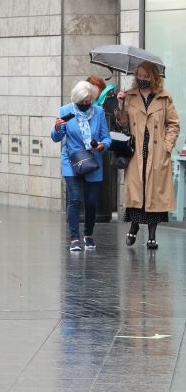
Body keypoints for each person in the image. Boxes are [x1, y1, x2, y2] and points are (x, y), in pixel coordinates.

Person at [115, 61, 180, 249]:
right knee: (137, 193)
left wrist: (167, 147)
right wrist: (121, 105)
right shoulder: (131, 96)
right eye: (139, 76)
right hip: (136, 153)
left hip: (157, 152)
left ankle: (152, 234)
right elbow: (123, 124)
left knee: (154, 195)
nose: (142, 79)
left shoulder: (164, 98)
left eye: (146, 76)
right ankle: (134, 225)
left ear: (153, 77)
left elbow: (173, 124)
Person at [51, 81, 111, 251]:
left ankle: (88, 235)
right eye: (82, 102)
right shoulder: (66, 111)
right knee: (75, 198)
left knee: (91, 202)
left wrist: (101, 145)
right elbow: (56, 138)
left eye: (88, 101)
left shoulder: (98, 112)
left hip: (93, 161)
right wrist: (57, 127)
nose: (85, 105)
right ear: (75, 100)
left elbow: (107, 138)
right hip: (72, 160)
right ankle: (74, 238)